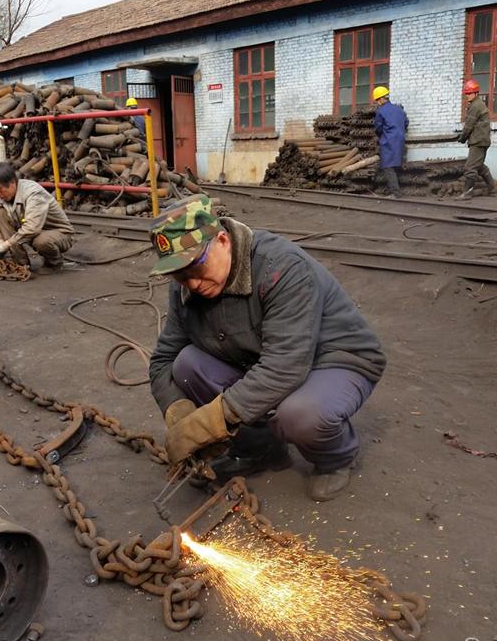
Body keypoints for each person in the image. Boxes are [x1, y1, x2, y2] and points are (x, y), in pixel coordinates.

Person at [148, 197, 386, 502]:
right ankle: (262, 450)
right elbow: (164, 359)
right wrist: (177, 410)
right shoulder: (185, 284)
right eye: (180, 273)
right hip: (262, 357)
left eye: (196, 266)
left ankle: (336, 458)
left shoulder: (281, 268)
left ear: (222, 240)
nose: (191, 283)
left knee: (299, 414)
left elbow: (284, 366)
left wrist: (212, 420)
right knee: (186, 365)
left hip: (334, 359)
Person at [0, 162, 74, 269]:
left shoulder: (33, 194)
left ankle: (54, 263)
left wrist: (7, 244)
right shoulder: (2, 197)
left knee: (42, 241)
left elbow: (32, 228)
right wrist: (0, 240)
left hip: (58, 233)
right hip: (30, 233)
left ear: (12, 182)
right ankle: (20, 264)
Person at [457, 79, 494, 200]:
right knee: (479, 165)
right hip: (483, 140)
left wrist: (463, 137)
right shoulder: (479, 104)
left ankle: (467, 193)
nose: (467, 95)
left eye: (469, 93)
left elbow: (469, 125)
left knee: (470, 167)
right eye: (466, 93)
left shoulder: (475, 106)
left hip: (478, 141)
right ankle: (491, 187)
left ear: (476, 93)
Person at [373, 86, 409, 199]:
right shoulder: (399, 110)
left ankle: (395, 193)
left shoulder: (381, 111)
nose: (377, 103)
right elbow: (406, 123)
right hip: (400, 140)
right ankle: (395, 189)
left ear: (381, 99)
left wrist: (382, 136)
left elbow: (378, 128)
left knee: (388, 166)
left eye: (377, 100)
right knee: (396, 164)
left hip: (388, 141)